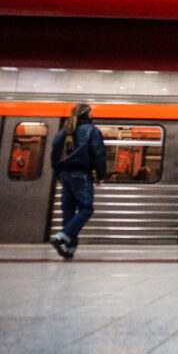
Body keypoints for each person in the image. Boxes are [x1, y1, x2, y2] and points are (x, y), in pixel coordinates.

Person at [49, 104, 106, 259]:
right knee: (86, 209)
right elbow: (98, 154)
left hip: (65, 174)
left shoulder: (64, 131)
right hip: (81, 174)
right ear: (88, 115)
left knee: (68, 210)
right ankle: (63, 236)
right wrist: (100, 174)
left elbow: (54, 154)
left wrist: (58, 172)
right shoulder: (92, 131)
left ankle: (69, 247)